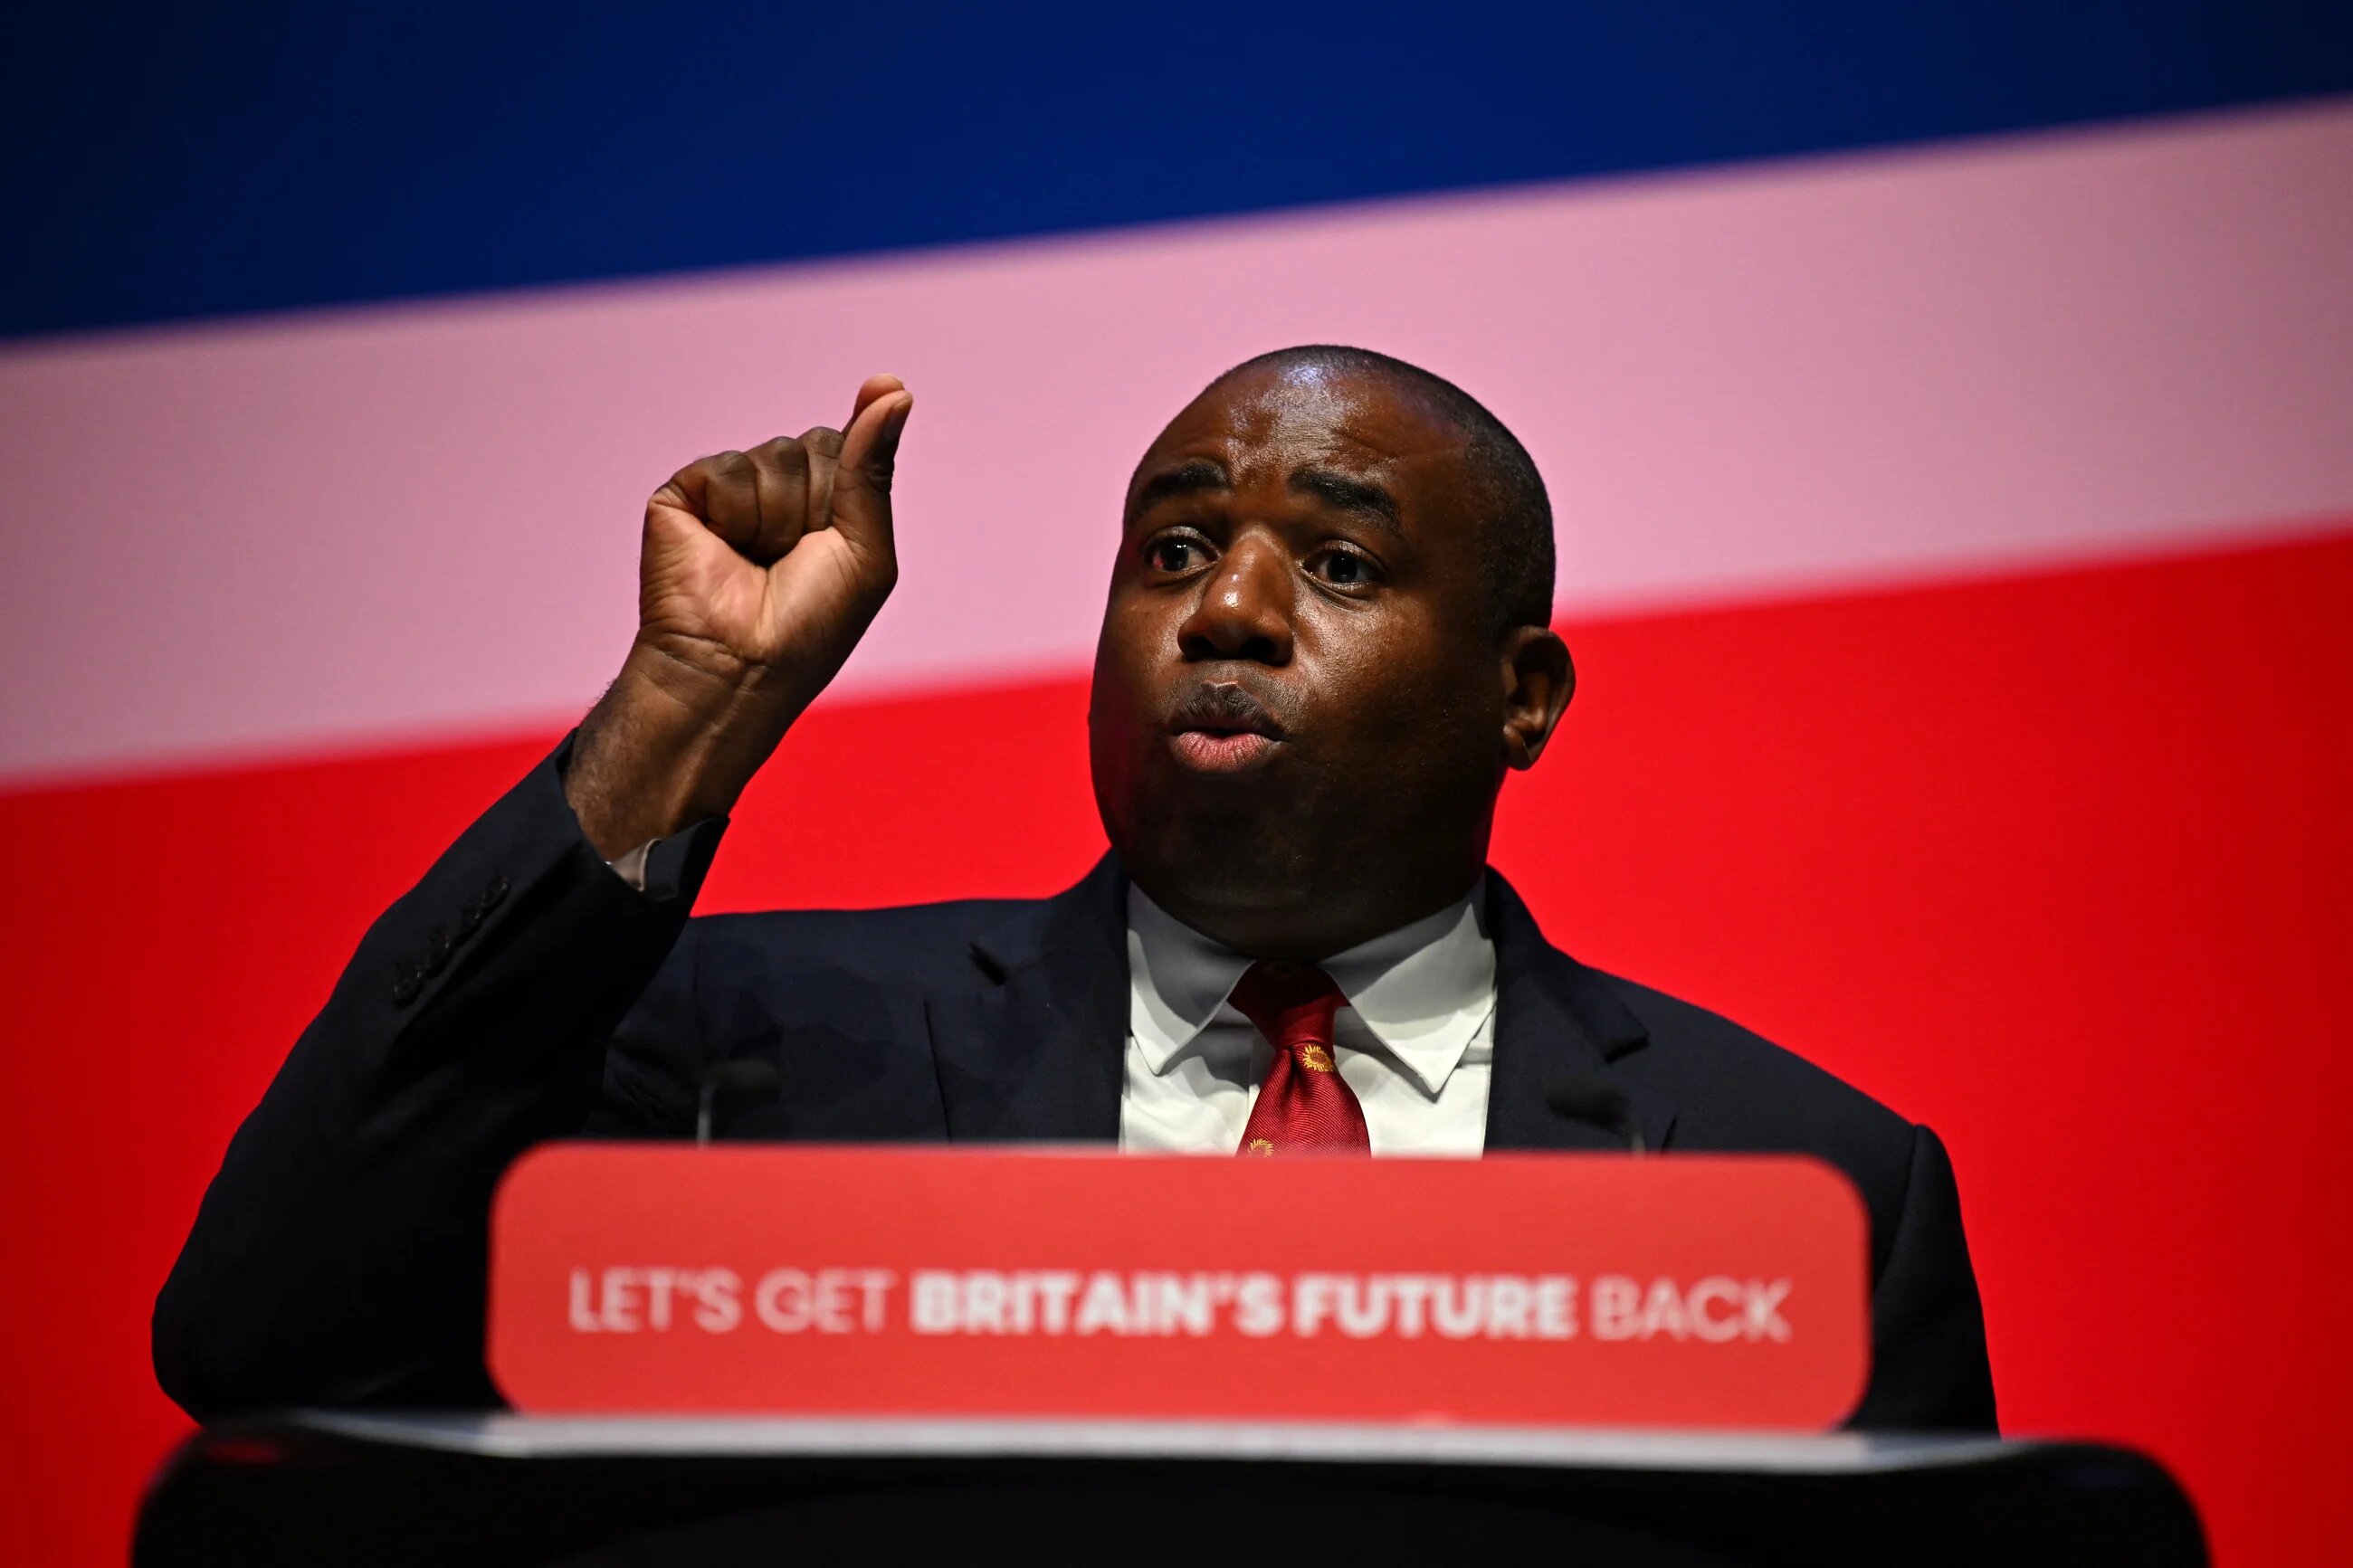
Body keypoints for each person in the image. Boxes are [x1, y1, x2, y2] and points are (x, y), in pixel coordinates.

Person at [154, 346, 1996, 1430]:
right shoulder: (745, 1070)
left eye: (1336, 565)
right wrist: (683, 717)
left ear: (1521, 696)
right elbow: (266, 1339)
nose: (1227, 614)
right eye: (1174, 548)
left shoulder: (1810, 1189)